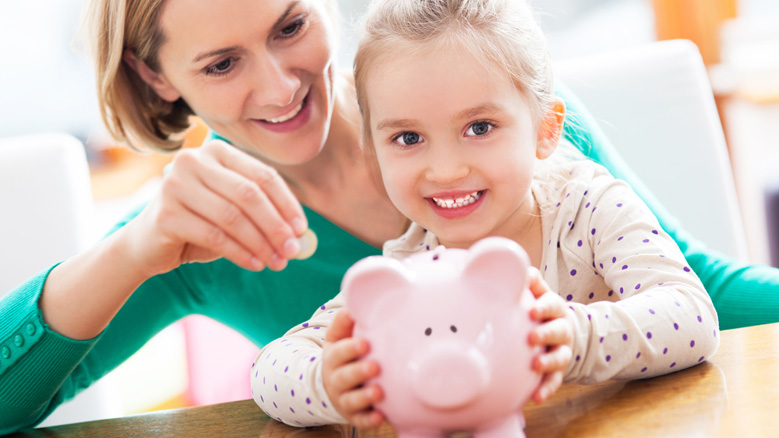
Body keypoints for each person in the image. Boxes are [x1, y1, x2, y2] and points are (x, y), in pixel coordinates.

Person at [0, 0, 775, 433]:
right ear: (155, 75)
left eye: (289, 26)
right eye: (221, 64)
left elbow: (701, 293)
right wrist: (132, 251)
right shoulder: (200, 231)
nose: (278, 88)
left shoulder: (498, 119)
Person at [250, 0, 720, 429]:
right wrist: (331, 385)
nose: (447, 168)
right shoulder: (405, 272)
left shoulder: (590, 207)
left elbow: (692, 316)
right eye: (408, 139)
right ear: (374, 154)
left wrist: (573, 339)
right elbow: (270, 369)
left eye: (480, 127)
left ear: (545, 130)